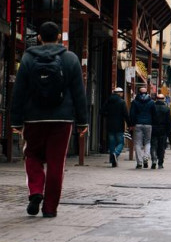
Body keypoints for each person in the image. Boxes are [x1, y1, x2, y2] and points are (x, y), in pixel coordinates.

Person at [11, 21, 88, 218]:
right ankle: (50, 208)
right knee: (56, 162)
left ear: (39, 37)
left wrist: (16, 121)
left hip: (33, 118)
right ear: (58, 38)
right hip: (62, 120)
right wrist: (82, 122)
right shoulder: (70, 59)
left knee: (32, 155)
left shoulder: (28, 58)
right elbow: (79, 93)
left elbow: (18, 91)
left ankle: (36, 191)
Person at [101, 87, 128, 168]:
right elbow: (125, 114)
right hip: (119, 125)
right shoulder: (122, 102)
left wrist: (108, 115)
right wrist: (129, 124)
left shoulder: (108, 101)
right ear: (119, 93)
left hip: (109, 125)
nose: (122, 94)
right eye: (122, 92)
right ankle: (115, 154)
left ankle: (113, 161)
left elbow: (102, 111)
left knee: (112, 143)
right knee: (121, 143)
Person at [129, 86, 155, 169]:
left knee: (137, 143)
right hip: (148, 124)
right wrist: (153, 123)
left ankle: (139, 162)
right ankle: (146, 157)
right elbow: (154, 114)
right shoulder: (151, 102)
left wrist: (131, 124)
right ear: (147, 93)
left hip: (138, 124)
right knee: (148, 142)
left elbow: (132, 114)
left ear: (138, 93)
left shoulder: (135, 102)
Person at [150, 94, 171, 169]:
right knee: (161, 147)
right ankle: (160, 163)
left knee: (153, 145)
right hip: (163, 130)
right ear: (163, 99)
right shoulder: (166, 109)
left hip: (153, 129)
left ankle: (153, 159)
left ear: (156, 99)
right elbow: (169, 121)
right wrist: (169, 131)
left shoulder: (152, 108)